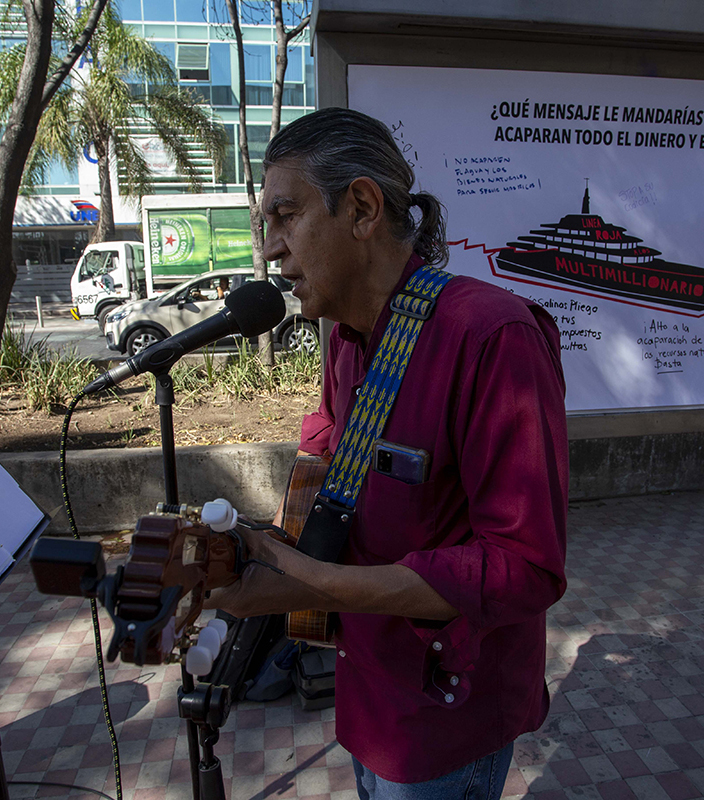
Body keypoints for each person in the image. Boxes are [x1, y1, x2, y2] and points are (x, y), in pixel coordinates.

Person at [205, 108, 569, 800]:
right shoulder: (346, 340)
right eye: (266, 227)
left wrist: (313, 582)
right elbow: (327, 477)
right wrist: (267, 567)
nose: (271, 251)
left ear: (363, 208)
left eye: (286, 215)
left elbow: (526, 568)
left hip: (443, 714)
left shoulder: (492, 337)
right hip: (365, 684)